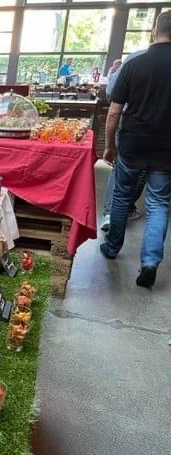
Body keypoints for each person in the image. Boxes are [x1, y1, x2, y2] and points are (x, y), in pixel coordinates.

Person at [101, 11, 171, 288]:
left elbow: (114, 112)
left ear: (154, 31)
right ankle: (150, 261)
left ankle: (112, 247)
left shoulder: (134, 64)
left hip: (132, 143)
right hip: (166, 149)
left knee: (121, 195)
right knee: (158, 203)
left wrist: (109, 146)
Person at [99, 51, 148, 233]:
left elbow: (111, 93)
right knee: (155, 193)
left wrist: (109, 145)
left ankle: (111, 215)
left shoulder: (135, 58)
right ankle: (127, 209)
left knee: (121, 171)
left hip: (131, 124)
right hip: (163, 132)